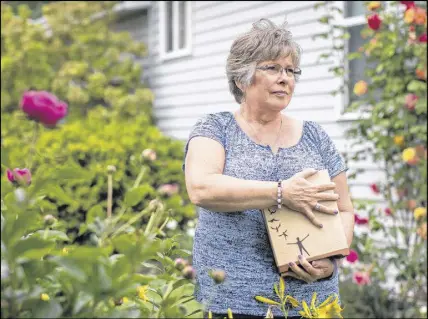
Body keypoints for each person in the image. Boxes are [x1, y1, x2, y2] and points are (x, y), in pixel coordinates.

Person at [182, 18, 355, 319]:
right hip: (234, 302)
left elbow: (344, 209)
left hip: (312, 304)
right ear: (241, 79)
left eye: (291, 70)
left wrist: (331, 263)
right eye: (273, 68)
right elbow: (201, 188)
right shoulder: (216, 128)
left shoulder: (315, 135)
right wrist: (281, 193)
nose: (285, 78)